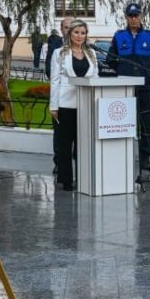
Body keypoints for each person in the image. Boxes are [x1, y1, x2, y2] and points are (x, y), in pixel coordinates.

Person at [107, 3, 150, 170]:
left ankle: (145, 159)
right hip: (123, 87)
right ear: (126, 17)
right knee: (122, 122)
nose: (133, 19)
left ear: (141, 16)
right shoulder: (119, 36)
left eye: (136, 15)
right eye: (130, 16)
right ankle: (122, 157)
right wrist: (122, 72)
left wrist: (145, 72)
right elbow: (110, 59)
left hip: (144, 87)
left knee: (144, 123)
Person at [49, 19, 98, 191]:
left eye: (83, 33)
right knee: (64, 145)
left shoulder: (92, 54)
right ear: (70, 34)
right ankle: (66, 180)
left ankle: (83, 178)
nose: (79, 36)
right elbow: (55, 80)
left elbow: (95, 79)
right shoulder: (59, 53)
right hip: (64, 104)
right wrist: (53, 106)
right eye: (76, 32)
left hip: (85, 105)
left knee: (82, 144)